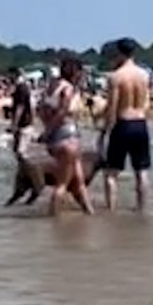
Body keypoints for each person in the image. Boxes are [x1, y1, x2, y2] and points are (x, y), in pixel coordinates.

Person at [99, 38, 152, 212]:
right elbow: (146, 104)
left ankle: (111, 210)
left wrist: (104, 131)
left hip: (123, 123)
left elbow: (112, 108)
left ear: (119, 53)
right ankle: (141, 208)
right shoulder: (144, 75)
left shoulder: (116, 77)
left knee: (111, 173)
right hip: (140, 123)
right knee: (141, 171)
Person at [36, 56, 93, 215]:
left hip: (55, 140)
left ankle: (89, 213)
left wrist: (46, 130)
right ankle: (53, 220)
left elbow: (40, 109)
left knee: (79, 182)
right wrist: (48, 132)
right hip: (67, 138)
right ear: (76, 72)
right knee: (62, 184)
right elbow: (63, 111)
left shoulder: (51, 87)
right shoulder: (68, 89)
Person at [8, 67, 34, 153]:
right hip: (23, 123)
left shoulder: (21, 88)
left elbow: (20, 107)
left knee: (20, 152)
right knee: (17, 151)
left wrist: (14, 125)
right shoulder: (21, 87)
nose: (9, 78)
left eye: (10, 75)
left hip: (24, 124)